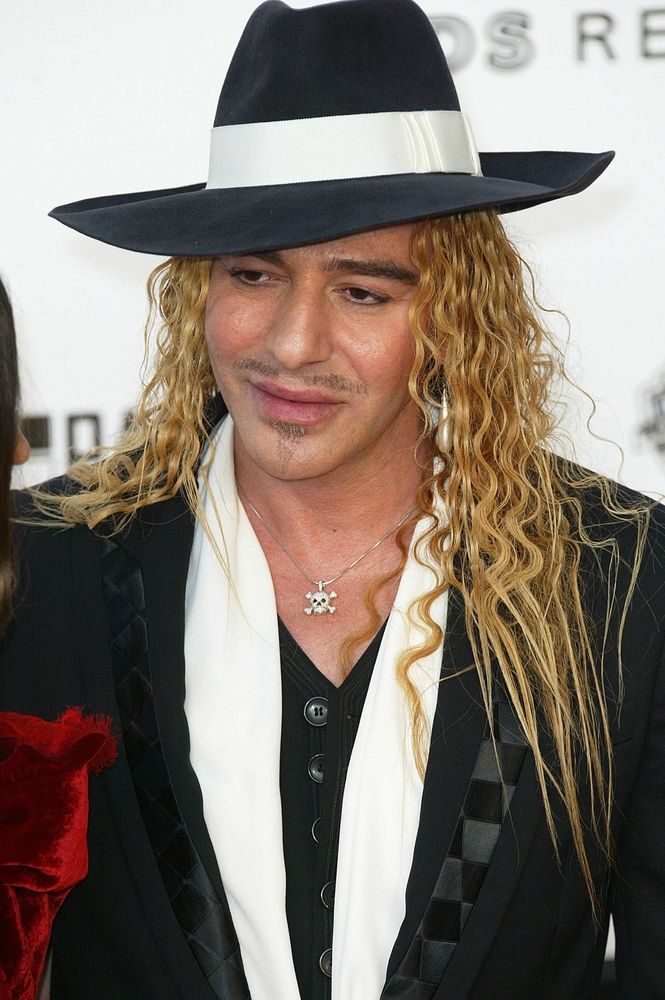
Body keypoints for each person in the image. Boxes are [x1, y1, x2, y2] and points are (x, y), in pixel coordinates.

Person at [1, 1, 664, 998]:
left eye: (362, 291)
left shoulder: (617, 577)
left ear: (452, 316)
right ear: (199, 292)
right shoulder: (39, 563)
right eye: (253, 275)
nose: (292, 342)